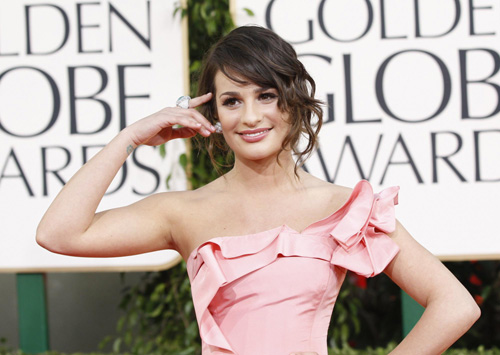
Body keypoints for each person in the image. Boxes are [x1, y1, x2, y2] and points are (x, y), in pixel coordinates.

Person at [37, 26, 480, 355]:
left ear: (292, 100)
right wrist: (130, 137)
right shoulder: (185, 212)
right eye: (232, 100)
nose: (249, 116)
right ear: (213, 113)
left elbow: (455, 305)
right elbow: (59, 234)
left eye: (265, 95)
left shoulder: (342, 206)